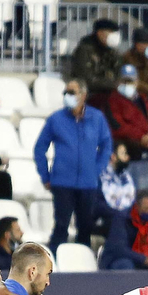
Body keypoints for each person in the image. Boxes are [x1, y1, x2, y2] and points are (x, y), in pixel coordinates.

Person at [34, 78, 112, 249]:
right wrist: (45, 175)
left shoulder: (97, 118)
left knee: (85, 227)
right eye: (65, 93)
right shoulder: (56, 119)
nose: (66, 96)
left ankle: (82, 267)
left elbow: (106, 145)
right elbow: (40, 148)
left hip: (88, 184)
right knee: (61, 226)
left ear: (83, 95)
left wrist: (96, 169)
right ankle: (53, 265)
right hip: (62, 182)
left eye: (71, 92)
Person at [101, 190, 148, 271]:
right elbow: (119, 248)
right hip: (122, 259)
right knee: (126, 264)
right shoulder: (121, 218)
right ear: (137, 206)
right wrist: (144, 259)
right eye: (147, 209)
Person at [69, 18, 123, 110]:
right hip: (90, 94)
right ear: (100, 33)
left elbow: (119, 71)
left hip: (109, 92)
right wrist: (114, 84)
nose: (114, 36)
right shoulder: (84, 50)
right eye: (111, 32)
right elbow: (86, 79)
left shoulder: (112, 51)